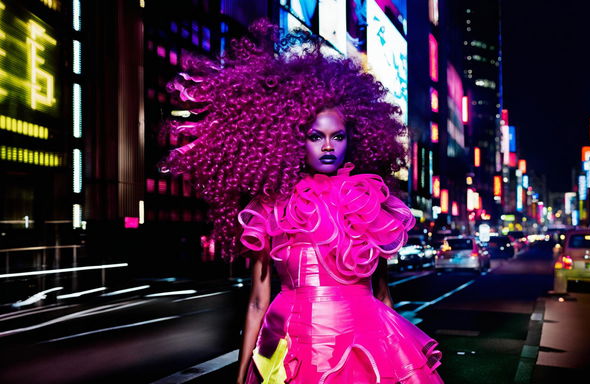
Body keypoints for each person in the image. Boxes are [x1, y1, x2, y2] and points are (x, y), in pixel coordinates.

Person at [161, 19, 443, 384]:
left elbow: (382, 296)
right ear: (294, 139)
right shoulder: (272, 207)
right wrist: (242, 371)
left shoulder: (369, 201)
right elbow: (258, 302)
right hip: (290, 346)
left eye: (338, 136)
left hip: (363, 348)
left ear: (353, 139)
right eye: (316, 136)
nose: (328, 146)